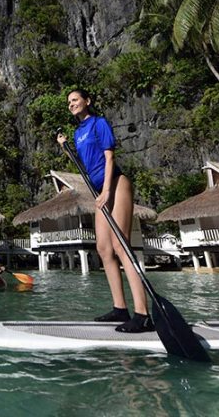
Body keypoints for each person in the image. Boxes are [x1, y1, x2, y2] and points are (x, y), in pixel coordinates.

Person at [56, 88, 153, 333]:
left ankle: (142, 314)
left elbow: (109, 158)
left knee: (121, 245)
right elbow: (86, 161)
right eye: (69, 102)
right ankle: (120, 308)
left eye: (75, 99)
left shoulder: (99, 123)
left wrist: (108, 191)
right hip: (100, 190)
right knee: (103, 248)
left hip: (116, 184)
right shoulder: (78, 133)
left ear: (87, 101)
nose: (71, 104)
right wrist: (65, 146)